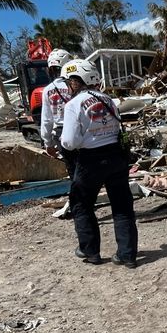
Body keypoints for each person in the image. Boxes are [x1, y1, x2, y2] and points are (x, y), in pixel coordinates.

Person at [60, 59, 138, 268]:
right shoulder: (108, 99)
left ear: (77, 81)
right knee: (122, 206)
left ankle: (90, 250)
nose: (68, 86)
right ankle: (127, 254)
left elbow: (69, 142)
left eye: (69, 81)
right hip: (116, 157)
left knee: (81, 204)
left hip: (90, 160)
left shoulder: (73, 105)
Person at [40, 48, 75, 177]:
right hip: (79, 130)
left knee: (71, 167)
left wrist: (47, 143)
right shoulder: (77, 86)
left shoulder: (47, 90)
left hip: (60, 133)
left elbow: (46, 120)